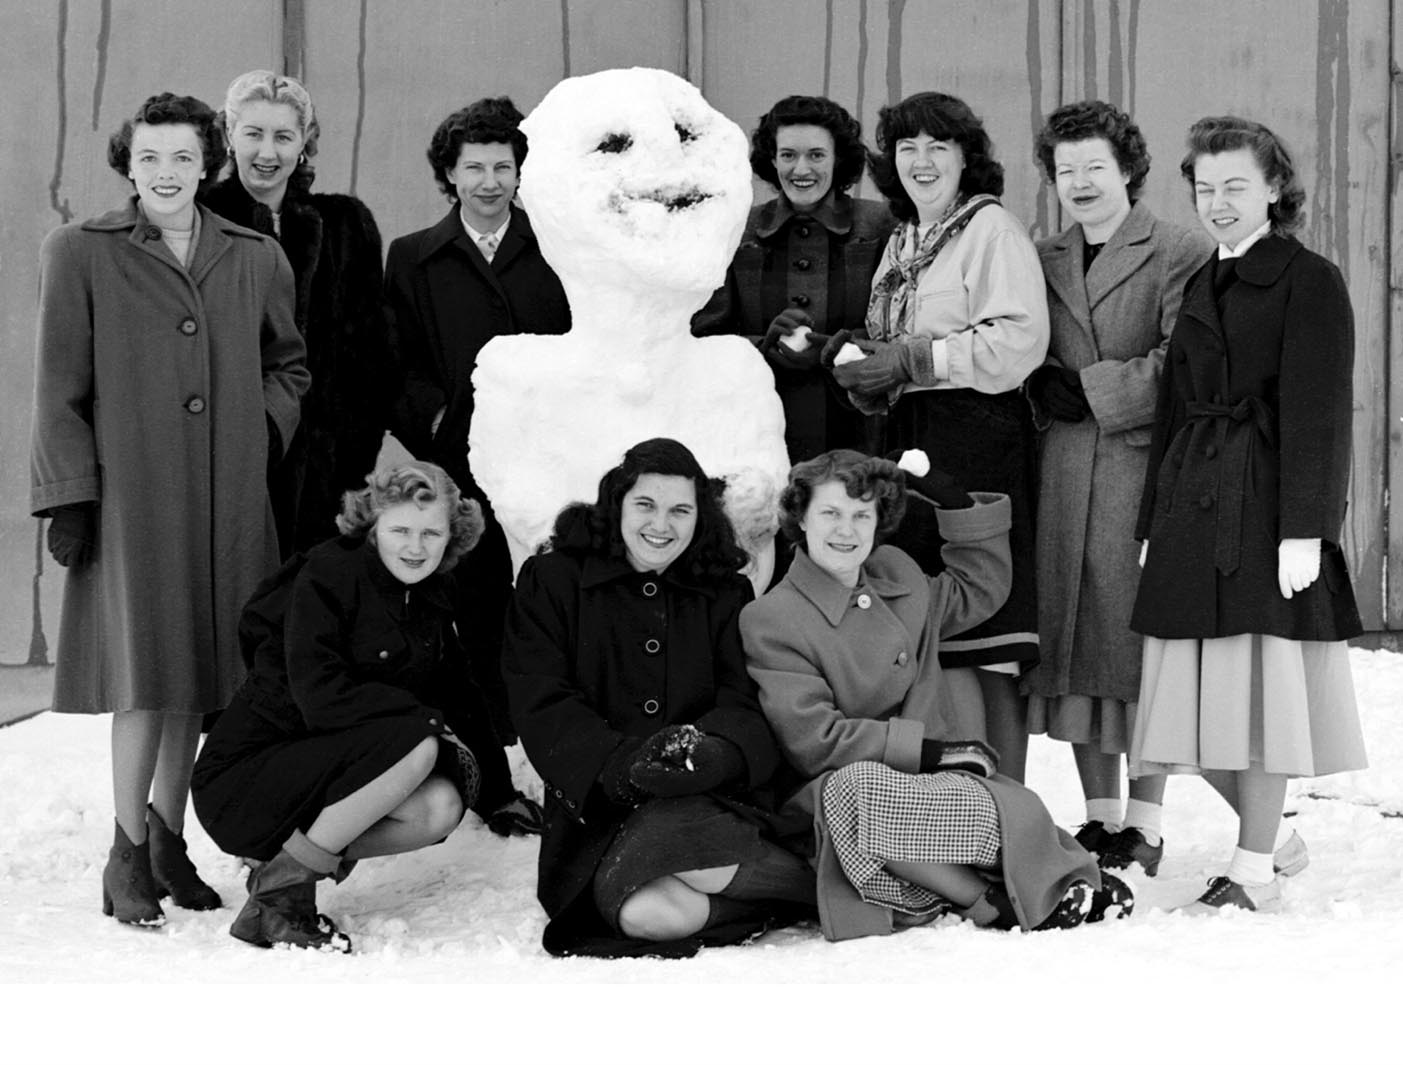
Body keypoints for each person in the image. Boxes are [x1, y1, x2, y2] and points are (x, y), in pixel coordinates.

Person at [29, 92, 309, 927]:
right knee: (143, 677)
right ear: (128, 163)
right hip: (132, 495)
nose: (165, 173)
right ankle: (123, 854)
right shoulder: (80, 251)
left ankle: (166, 840)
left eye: (182, 157)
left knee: (198, 672)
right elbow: (56, 388)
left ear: (207, 164)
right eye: (149, 157)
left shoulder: (255, 256)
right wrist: (68, 497)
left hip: (227, 499)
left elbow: (288, 363)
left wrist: (257, 427)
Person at [739, 450, 1130, 940]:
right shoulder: (772, 618)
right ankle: (993, 896)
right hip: (844, 793)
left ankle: (1029, 876)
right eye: (831, 513)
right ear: (801, 518)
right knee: (856, 792)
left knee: (976, 800)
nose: (847, 530)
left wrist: (957, 505)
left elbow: (980, 588)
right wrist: (929, 753)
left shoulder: (896, 576)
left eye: (862, 515)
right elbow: (814, 739)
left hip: (934, 788)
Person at [1131, 116, 1368, 913]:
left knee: (1255, 699)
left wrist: (1307, 526)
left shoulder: (1309, 278)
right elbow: (1173, 408)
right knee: (1183, 710)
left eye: (1235, 185)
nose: (1218, 202)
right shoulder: (1207, 276)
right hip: (1190, 511)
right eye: (1204, 188)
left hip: (1262, 510)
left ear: (1274, 187)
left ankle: (1255, 869)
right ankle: (1277, 842)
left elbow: (1319, 411)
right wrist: (1146, 522)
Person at [502, 438, 815, 958]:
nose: (661, 525)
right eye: (645, 505)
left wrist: (717, 752)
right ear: (617, 503)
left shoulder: (724, 592)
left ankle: (824, 892)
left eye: (680, 510)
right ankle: (791, 898)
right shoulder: (554, 580)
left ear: (700, 517)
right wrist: (618, 766)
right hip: (594, 811)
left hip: (704, 796)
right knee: (644, 915)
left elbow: (745, 700)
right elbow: (540, 698)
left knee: (681, 844)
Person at [822, 92, 1049, 780]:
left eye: (938, 147)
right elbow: (899, 337)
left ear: (964, 159)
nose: (920, 161)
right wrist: (861, 356)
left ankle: (1006, 802)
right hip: (907, 441)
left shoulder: (990, 231)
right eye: (906, 148)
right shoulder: (903, 236)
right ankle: (952, 797)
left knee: (990, 631)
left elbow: (1018, 342)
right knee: (934, 626)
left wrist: (916, 359)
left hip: (976, 438)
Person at [1022, 101, 1213, 873]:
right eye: (1064, 171)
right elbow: (1019, 341)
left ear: (1128, 167)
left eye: (1093, 167)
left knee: (1133, 643)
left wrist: (1096, 388)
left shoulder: (1176, 249)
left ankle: (1147, 819)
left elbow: (1186, 359)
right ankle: (1099, 814)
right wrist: (1040, 385)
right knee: (1070, 637)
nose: (1079, 184)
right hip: (1062, 470)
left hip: (1138, 464)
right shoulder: (1043, 255)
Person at [192, 462, 485, 952]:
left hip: (323, 776)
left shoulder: (433, 591)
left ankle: (278, 874)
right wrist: (427, 723)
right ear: (372, 526)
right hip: (246, 779)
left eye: (432, 532)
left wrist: (499, 793)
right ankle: (283, 899)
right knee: (418, 744)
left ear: (452, 535)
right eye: (400, 530)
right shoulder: (329, 573)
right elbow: (322, 699)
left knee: (439, 807)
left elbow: (459, 689)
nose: (416, 547)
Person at [385, 96, 567, 836]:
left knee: (549, 607)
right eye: (474, 168)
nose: (490, 180)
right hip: (459, 467)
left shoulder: (553, 245)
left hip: (545, 461)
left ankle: (561, 768)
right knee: (473, 615)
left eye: (503, 166)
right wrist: (432, 419)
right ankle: (492, 776)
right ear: (449, 176)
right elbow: (394, 361)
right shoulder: (413, 256)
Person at [202, 70, 396, 556]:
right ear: (229, 135)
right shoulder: (199, 220)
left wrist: (350, 458)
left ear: (304, 144)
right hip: (224, 469)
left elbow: (372, 354)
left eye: (283, 137)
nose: (268, 153)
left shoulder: (345, 225)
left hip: (326, 479)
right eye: (254, 134)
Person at [692, 95, 892, 463]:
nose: (802, 168)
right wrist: (762, 345)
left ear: (838, 159)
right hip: (761, 425)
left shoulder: (880, 224)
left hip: (860, 424)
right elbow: (705, 337)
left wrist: (835, 347)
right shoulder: (738, 229)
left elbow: (899, 328)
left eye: (816, 155)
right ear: (772, 159)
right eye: (788, 155)